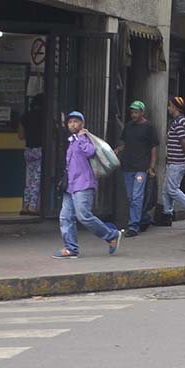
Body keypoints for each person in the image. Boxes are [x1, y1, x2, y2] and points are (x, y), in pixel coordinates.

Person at [54, 111, 121, 259]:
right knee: (65, 217)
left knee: (83, 216)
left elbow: (91, 152)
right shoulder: (71, 141)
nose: (72, 124)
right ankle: (71, 248)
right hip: (70, 186)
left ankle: (111, 235)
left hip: (83, 184)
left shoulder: (84, 138)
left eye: (76, 122)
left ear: (82, 124)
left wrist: (82, 138)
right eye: (70, 122)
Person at [116, 100, 157, 237]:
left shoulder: (149, 127)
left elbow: (153, 148)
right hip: (128, 166)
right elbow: (126, 144)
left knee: (136, 197)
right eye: (132, 112)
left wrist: (151, 166)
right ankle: (144, 218)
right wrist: (118, 150)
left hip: (141, 167)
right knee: (130, 197)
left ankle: (133, 225)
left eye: (136, 112)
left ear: (142, 113)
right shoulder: (128, 127)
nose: (133, 115)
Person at [160, 95, 185, 226]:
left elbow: (184, 141)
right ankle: (167, 213)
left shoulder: (180, 122)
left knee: (172, 189)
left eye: (170, 106)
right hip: (173, 161)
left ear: (175, 107)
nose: (168, 108)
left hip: (177, 161)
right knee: (166, 189)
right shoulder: (177, 121)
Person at [18, 93, 45, 215]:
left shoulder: (25, 116)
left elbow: (21, 135)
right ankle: (33, 207)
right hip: (40, 149)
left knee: (29, 179)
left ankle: (25, 206)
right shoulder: (46, 116)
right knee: (37, 179)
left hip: (28, 150)